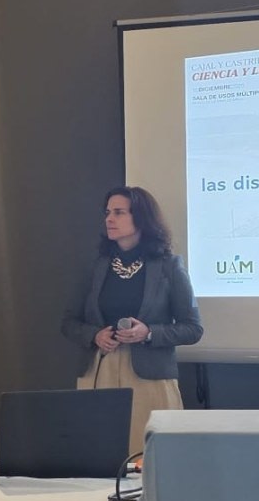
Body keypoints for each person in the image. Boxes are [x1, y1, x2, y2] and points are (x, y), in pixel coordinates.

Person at [60, 186, 203, 458]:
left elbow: (193, 327)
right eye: (107, 213)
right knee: (98, 459)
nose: (109, 219)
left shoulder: (168, 266)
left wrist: (148, 333)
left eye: (119, 212)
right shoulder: (96, 267)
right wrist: (94, 335)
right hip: (99, 372)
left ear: (141, 218)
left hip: (149, 378)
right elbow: (68, 322)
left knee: (151, 461)